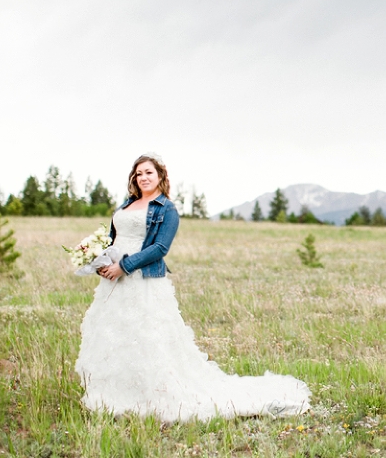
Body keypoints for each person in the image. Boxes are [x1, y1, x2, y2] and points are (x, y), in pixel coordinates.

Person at [75, 153, 311, 421]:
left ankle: (153, 393)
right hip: (114, 282)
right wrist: (97, 257)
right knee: (114, 333)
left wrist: (124, 266)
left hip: (142, 280)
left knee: (146, 336)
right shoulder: (126, 205)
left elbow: (159, 248)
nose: (143, 177)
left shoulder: (166, 209)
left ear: (161, 176)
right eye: (138, 173)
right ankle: (113, 392)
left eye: (148, 172)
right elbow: (113, 238)